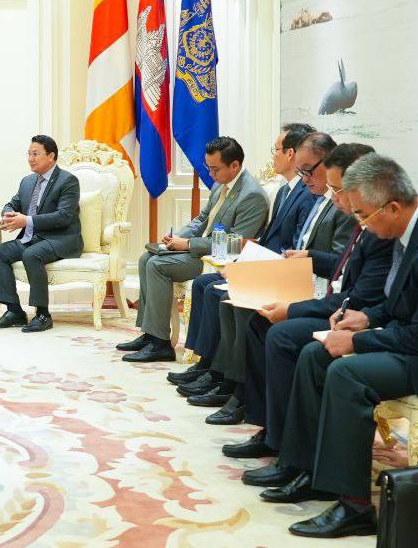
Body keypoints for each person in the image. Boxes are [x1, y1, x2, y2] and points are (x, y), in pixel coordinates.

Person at [263, 154, 418, 539]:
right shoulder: (408, 228)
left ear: (392, 206)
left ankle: (355, 506)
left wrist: (356, 340)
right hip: (417, 342)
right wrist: (365, 317)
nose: (360, 224)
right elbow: (398, 303)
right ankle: (308, 470)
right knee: (314, 354)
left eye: (363, 215)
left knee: (347, 373)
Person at [228, 142, 391, 461]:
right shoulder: (358, 217)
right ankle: (269, 427)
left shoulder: (376, 225)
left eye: (339, 190)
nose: (335, 197)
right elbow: (343, 270)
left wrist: (291, 309)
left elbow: (357, 297)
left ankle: (287, 440)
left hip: (352, 314)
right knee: (259, 322)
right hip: (333, 300)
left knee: (282, 334)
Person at [178, 133, 356, 423]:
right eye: (302, 171)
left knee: (238, 303)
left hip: (311, 286)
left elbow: (338, 264)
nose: (304, 177)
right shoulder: (313, 197)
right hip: (290, 272)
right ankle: (221, 373)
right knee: (226, 294)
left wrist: (303, 257)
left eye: (307, 170)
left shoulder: (340, 207)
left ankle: (239, 390)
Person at [166, 123, 316, 385]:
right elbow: (267, 238)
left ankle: (226, 377)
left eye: (276, 149)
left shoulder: (305, 194)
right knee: (204, 283)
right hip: (264, 263)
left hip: (281, 272)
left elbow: (293, 246)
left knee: (221, 293)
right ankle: (207, 363)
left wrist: (249, 263)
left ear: (291, 153)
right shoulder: (284, 190)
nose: (273, 155)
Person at [123, 137, 270, 362]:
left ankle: (160, 344)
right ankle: (150, 333)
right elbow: (202, 219)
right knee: (146, 258)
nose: (210, 174)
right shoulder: (221, 184)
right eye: (208, 168)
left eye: (215, 169)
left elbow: (236, 242)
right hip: (204, 249)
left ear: (235, 165)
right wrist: (179, 238)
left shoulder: (252, 195)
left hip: (219, 260)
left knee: (157, 265)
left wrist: (189, 245)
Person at [0, 135, 83, 333]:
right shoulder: (27, 182)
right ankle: (14, 311)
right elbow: (12, 204)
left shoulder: (68, 181)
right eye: (29, 154)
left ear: (51, 156)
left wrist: (27, 221)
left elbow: (63, 216)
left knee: (32, 254)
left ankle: (43, 315)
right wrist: (9, 214)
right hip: (32, 238)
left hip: (61, 239)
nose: (30, 159)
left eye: (36, 154)